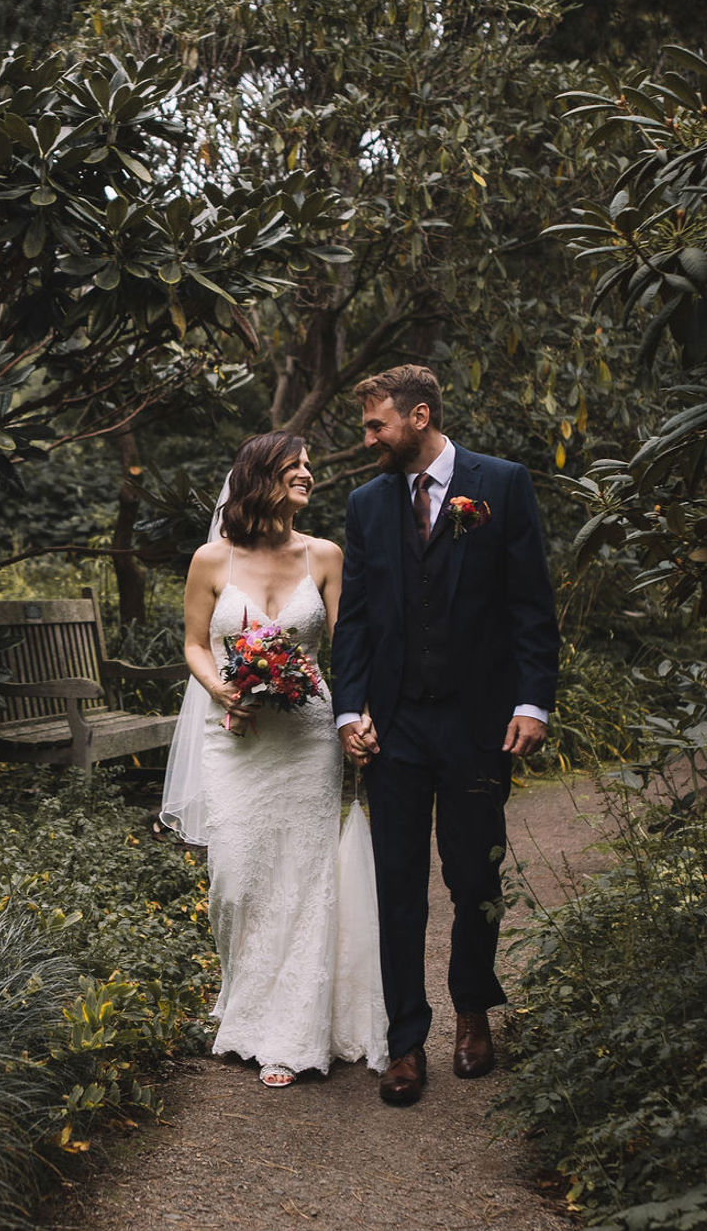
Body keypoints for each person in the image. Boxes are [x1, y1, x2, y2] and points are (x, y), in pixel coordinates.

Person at [331, 365, 559, 1106]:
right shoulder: (367, 505)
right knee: (398, 885)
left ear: (419, 415)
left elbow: (531, 605)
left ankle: (471, 1014)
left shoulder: (502, 485)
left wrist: (532, 703)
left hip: (478, 722)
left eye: (377, 426)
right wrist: (349, 711)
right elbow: (356, 619)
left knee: (474, 878)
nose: (368, 440)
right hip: (394, 727)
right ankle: (404, 1040)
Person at [161, 432, 389, 1087]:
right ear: (261, 475)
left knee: (302, 874)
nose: (310, 475)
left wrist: (359, 714)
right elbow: (196, 644)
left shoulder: (325, 555)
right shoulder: (211, 560)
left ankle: (291, 1031)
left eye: (312, 465)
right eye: (298, 465)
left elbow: (348, 651)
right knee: (235, 878)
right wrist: (219, 685)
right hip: (235, 738)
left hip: (308, 737)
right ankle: (243, 1005)